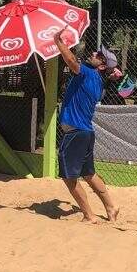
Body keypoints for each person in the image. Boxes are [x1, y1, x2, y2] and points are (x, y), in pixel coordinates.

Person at [54, 28, 120, 223]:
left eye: (99, 56)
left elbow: (72, 62)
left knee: (68, 177)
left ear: (101, 65)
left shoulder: (88, 74)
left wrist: (58, 41)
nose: (93, 54)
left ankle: (89, 215)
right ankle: (111, 206)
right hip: (85, 132)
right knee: (89, 174)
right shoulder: (98, 82)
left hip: (76, 133)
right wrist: (111, 76)